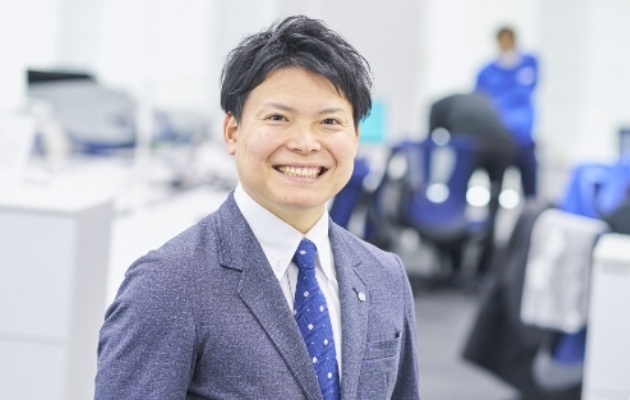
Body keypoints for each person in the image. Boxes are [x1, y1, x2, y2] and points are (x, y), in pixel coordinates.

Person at [95, 15, 420, 400]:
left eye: (329, 121)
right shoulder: (168, 284)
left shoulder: (385, 276)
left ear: (355, 136)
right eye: (278, 118)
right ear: (233, 131)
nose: (305, 143)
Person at [429, 93, 516, 275]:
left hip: (472, 146)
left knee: (454, 201)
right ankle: (484, 268)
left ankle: (454, 263)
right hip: (504, 147)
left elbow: (432, 145)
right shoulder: (481, 101)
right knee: (493, 209)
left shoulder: (436, 108)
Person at [475, 26, 538, 197]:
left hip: (522, 136)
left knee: (529, 170)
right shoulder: (486, 72)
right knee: (495, 175)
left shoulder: (529, 64)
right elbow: (481, 101)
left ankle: (531, 206)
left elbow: (528, 91)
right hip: (497, 135)